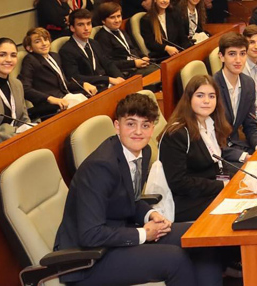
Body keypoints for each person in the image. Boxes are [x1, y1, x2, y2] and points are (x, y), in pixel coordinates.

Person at [54, 94, 224, 285]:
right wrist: (143, 233)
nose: (138, 132)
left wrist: (150, 214)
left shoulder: (143, 151)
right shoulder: (100, 167)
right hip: (89, 259)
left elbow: (129, 199)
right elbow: (90, 234)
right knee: (174, 259)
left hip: (118, 234)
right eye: (130, 124)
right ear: (117, 126)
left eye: (145, 125)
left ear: (152, 128)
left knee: (201, 237)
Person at [159, 74, 230, 222]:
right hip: (183, 201)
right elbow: (178, 182)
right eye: (200, 95)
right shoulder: (176, 133)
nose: (206, 101)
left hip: (206, 191)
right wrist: (221, 185)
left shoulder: (211, 124)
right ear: (188, 99)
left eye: (212, 96)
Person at [212, 32, 257, 164]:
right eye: (232, 54)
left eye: (242, 53)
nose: (238, 60)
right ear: (221, 56)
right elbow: (211, 138)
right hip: (217, 153)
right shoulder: (212, 88)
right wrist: (243, 156)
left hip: (238, 146)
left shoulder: (248, 84)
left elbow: (250, 125)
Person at [20, 27, 93, 119]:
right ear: (29, 48)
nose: (44, 44)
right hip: (50, 105)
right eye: (38, 41)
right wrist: (50, 99)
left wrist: (83, 84)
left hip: (66, 97)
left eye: (46, 39)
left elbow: (65, 84)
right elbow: (25, 88)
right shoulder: (30, 60)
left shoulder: (54, 56)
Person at [60, 9, 124, 91]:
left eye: (88, 24)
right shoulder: (67, 50)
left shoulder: (94, 43)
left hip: (107, 84)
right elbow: (75, 77)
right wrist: (108, 79)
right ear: (72, 28)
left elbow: (108, 64)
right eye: (81, 25)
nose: (86, 28)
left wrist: (119, 77)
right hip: (91, 89)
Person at [92, 2, 154, 80]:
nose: (117, 20)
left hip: (136, 66)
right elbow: (109, 63)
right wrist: (133, 63)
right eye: (112, 17)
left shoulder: (121, 31)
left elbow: (133, 48)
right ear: (103, 21)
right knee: (158, 71)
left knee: (162, 67)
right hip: (126, 72)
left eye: (119, 16)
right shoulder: (102, 37)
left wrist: (143, 56)